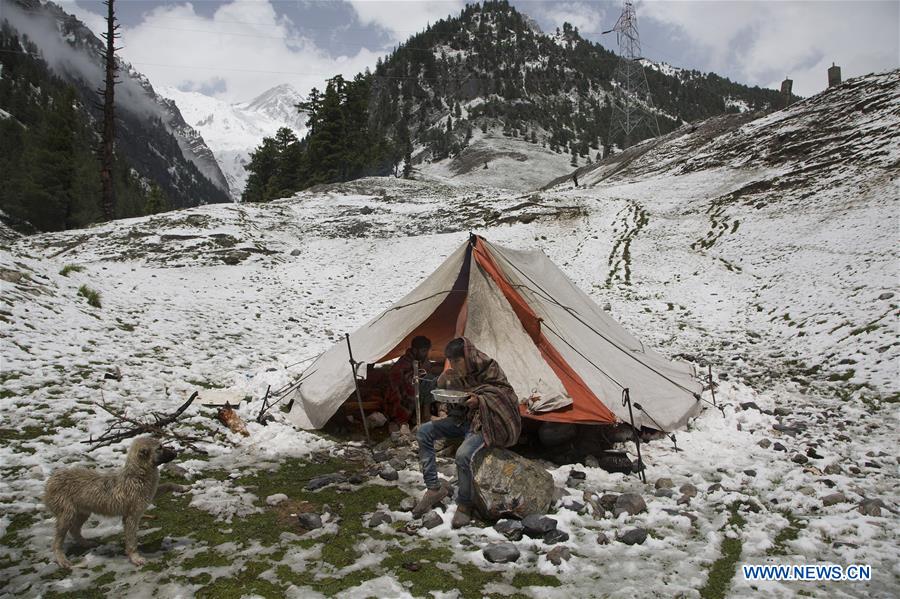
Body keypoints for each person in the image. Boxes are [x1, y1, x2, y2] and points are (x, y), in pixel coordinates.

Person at [412, 337, 522, 528]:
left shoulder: (489, 368)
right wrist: (443, 382)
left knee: (463, 455)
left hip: (485, 423)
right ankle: (433, 488)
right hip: (463, 419)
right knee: (424, 432)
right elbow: (450, 389)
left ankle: (465, 504)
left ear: (467, 357)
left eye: (456, 361)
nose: (454, 365)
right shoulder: (457, 373)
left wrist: (479, 401)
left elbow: (505, 396)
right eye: (451, 361)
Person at [385, 336, 433, 427]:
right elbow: (399, 379)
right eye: (423, 351)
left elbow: (425, 372)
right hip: (400, 390)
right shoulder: (405, 361)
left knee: (431, 383)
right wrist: (421, 374)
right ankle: (422, 415)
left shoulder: (422, 360)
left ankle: (424, 413)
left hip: (415, 386)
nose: (426, 353)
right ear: (415, 350)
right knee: (425, 385)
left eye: (427, 350)